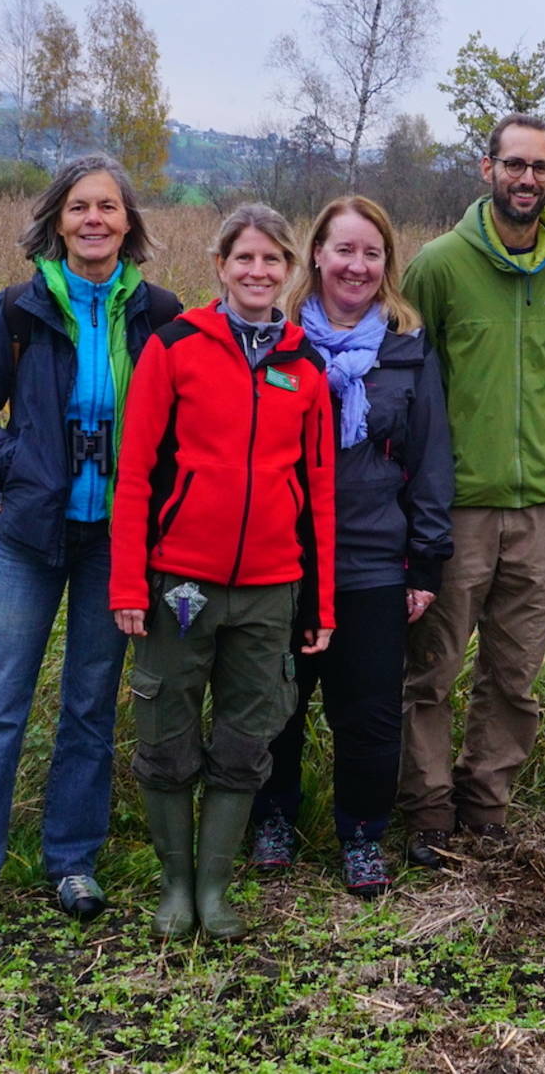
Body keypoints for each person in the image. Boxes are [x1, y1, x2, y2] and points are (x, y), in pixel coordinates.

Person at [0, 155, 181, 929]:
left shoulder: (162, 314)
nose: (94, 219)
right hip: (29, 538)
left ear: (129, 223)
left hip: (115, 539)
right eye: (80, 207)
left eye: (108, 206)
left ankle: (72, 860)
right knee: (0, 704)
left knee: (87, 705)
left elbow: (180, 427)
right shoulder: (18, 310)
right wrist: (22, 468)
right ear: (57, 220)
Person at [109, 203, 335, 939]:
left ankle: (215, 889)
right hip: (179, 584)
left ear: (289, 272)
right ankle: (174, 886)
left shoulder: (305, 366)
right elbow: (136, 473)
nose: (258, 272)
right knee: (168, 736)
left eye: (273, 260)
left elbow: (319, 491)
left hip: (271, 589)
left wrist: (320, 602)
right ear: (220, 266)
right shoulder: (176, 347)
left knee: (245, 741)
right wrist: (126, 584)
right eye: (245, 258)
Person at [398, 112, 545, 869]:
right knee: (432, 666)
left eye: (540, 167)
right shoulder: (439, 265)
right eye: (513, 164)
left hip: (541, 507)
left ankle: (485, 808)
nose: (527, 178)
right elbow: (416, 390)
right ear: (486, 170)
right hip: (455, 507)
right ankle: (425, 812)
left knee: (514, 673)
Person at [249, 196, 454, 896]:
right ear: (315, 254)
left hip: (372, 558)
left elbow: (430, 459)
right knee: (277, 702)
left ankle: (361, 832)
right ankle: (272, 817)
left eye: (371, 253)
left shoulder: (406, 347)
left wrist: (425, 561)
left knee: (367, 711)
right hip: (282, 554)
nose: (356, 265)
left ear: (386, 264)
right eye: (344, 250)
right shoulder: (276, 343)